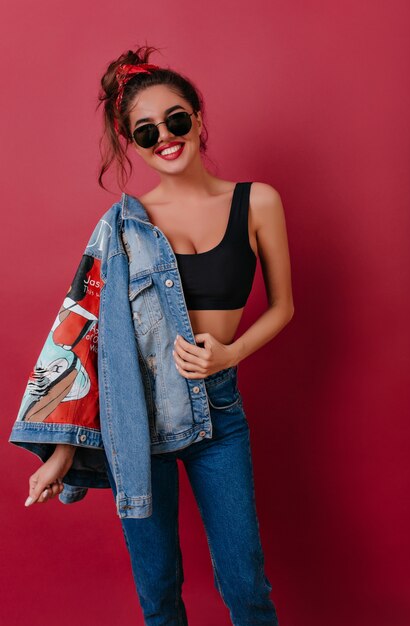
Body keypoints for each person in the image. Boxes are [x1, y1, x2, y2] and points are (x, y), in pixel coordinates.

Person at [12, 44, 294, 625]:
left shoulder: (257, 201)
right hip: (137, 421)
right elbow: (84, 337)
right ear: (131, 143)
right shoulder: (123, 226)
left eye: (177, 120)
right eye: (146, 132)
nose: (165, 136)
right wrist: (60, 452)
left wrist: (232, 353)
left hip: (219, 414)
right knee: (159, 595)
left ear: (198, 117)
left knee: (247, 587)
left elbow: (284, 307)